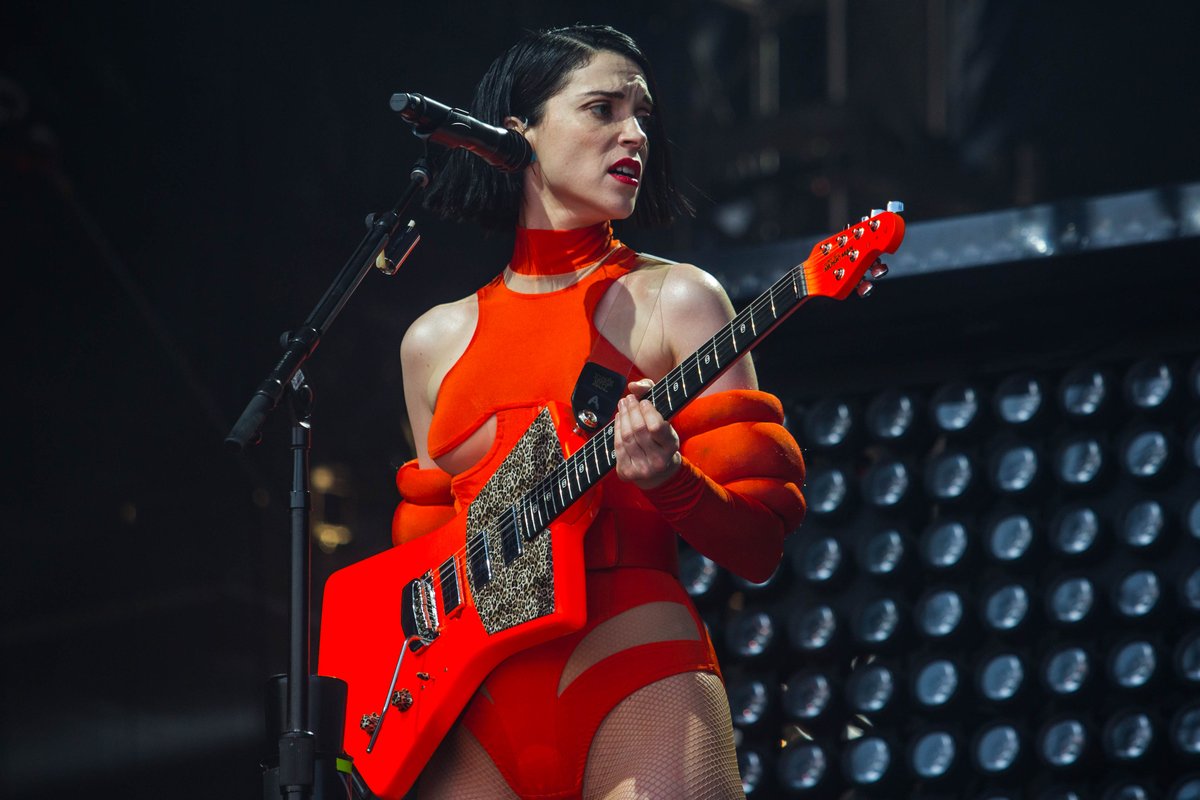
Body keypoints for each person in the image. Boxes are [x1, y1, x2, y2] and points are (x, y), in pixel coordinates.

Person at [392, 23, 806, 800]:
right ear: (516, 134)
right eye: (602, 109)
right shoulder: (431, 343)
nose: (635, 133)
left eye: (642, 114)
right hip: (472, 710)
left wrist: (671, 481)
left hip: (636, 672)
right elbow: (421, 575)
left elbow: (759, 549)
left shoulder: (679, 299)